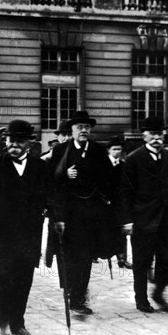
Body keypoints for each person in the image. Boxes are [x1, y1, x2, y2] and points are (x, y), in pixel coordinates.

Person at [0, 120, 50, 335]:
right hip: (2, 235)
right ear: (5, 141)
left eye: (20, 141)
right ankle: (2, 316)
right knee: (2, 277)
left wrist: (56, 216)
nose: (14, 144)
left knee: (24, 280)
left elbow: (51, 195)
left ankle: (17, 323)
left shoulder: (40, 166)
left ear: (29, 143)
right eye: (10, 140)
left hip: (30, 235)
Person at [50, 110, 114, 315]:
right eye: (80, 127)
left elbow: (109, 180)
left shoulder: (98, 150)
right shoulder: (61, 151)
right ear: (72, 130)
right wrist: (63, 174)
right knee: (68, 255)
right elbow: (50, 181)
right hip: (68, 214)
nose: (84, 130)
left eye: (87, 127)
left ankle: (77, 297)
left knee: (86, 256)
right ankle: (70, 289)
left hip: (91, 214)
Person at [120, 116, 168, 313]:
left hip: (166, 219)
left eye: (159, 134)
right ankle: (141, 299)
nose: (156, 138)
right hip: (142, 219)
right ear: (144, 136)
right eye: (152, 134)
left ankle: (159, 292)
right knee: (142, 262)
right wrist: (128, 220)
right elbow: (125, 192)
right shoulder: (134, 159)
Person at [106, 135, 132, 270]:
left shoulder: (124, 165)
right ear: (109, 150)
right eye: (114, 149)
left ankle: (122, 258)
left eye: (119, 149)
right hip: (106, 204)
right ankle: (100, 253)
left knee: (122, 230)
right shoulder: (103, 165)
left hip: (119, 204)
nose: (117, 152)